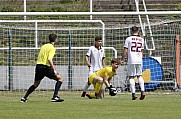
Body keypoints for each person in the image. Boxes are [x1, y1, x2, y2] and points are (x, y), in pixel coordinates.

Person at [21, 34, 64, 102]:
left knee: (35, 84)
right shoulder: (52, 48)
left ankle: (24, 98)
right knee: (60, 79)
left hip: (38, 66)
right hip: (45, 67)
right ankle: (55, 97)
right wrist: (54, 70)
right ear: (55, 40)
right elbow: (49, 59)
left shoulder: (44, 46)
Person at [120, 26, 145, 100]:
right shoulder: (141, 39)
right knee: (139, 76)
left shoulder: (128, 39)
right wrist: (141, 58)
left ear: (131, 31)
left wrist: (122, 59)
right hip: (139, 60)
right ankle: (142, 91)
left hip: (131, 60)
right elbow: (142, 51)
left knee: (131, 77)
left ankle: (133, 93)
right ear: (138, 31)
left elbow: (125, 50)